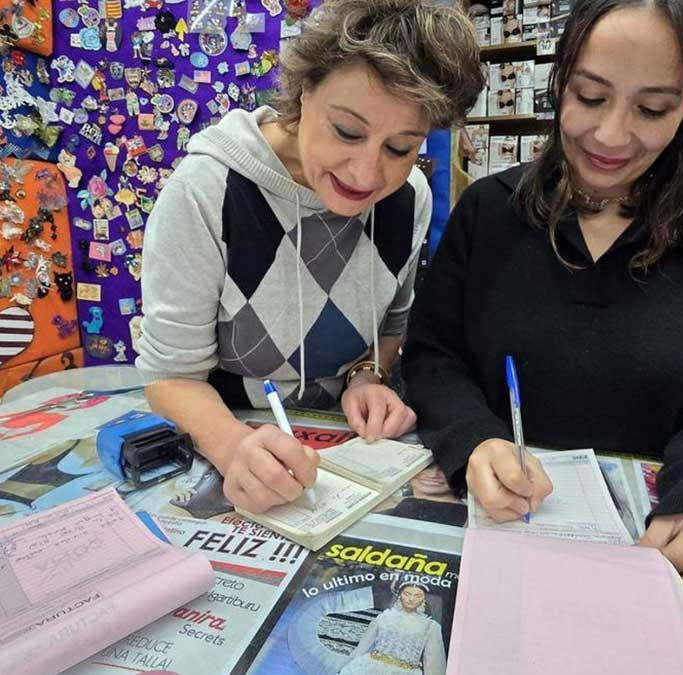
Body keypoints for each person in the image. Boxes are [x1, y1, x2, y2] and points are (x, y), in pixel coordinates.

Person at [403, 0, 683, 618]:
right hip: (493, 540)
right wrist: (473, 439)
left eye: (652, 109)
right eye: (590, 97)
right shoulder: (489, 210)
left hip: (649, 553)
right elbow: (433, 356)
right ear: (559, 82)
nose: (611, 136)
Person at [136, 0, 483, 515]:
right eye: (346, 131)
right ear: (302, 93)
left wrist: (367, 377)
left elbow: (391, 325)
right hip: (228, 440)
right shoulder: (207, 190)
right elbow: (171, 377)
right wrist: (234, 449)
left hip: (352, 455)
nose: (366, 174)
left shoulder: (409, 197)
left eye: (400, 148)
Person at [339, 580, 446, 675]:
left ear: (423, 599)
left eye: (418, 596)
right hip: (372, 667)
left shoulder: (430, 626)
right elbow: (362, 647)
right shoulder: (384, 617)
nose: (411, 599)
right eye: (407, 594)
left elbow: (432, 662)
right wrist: (345, 665)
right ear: (400, 596)